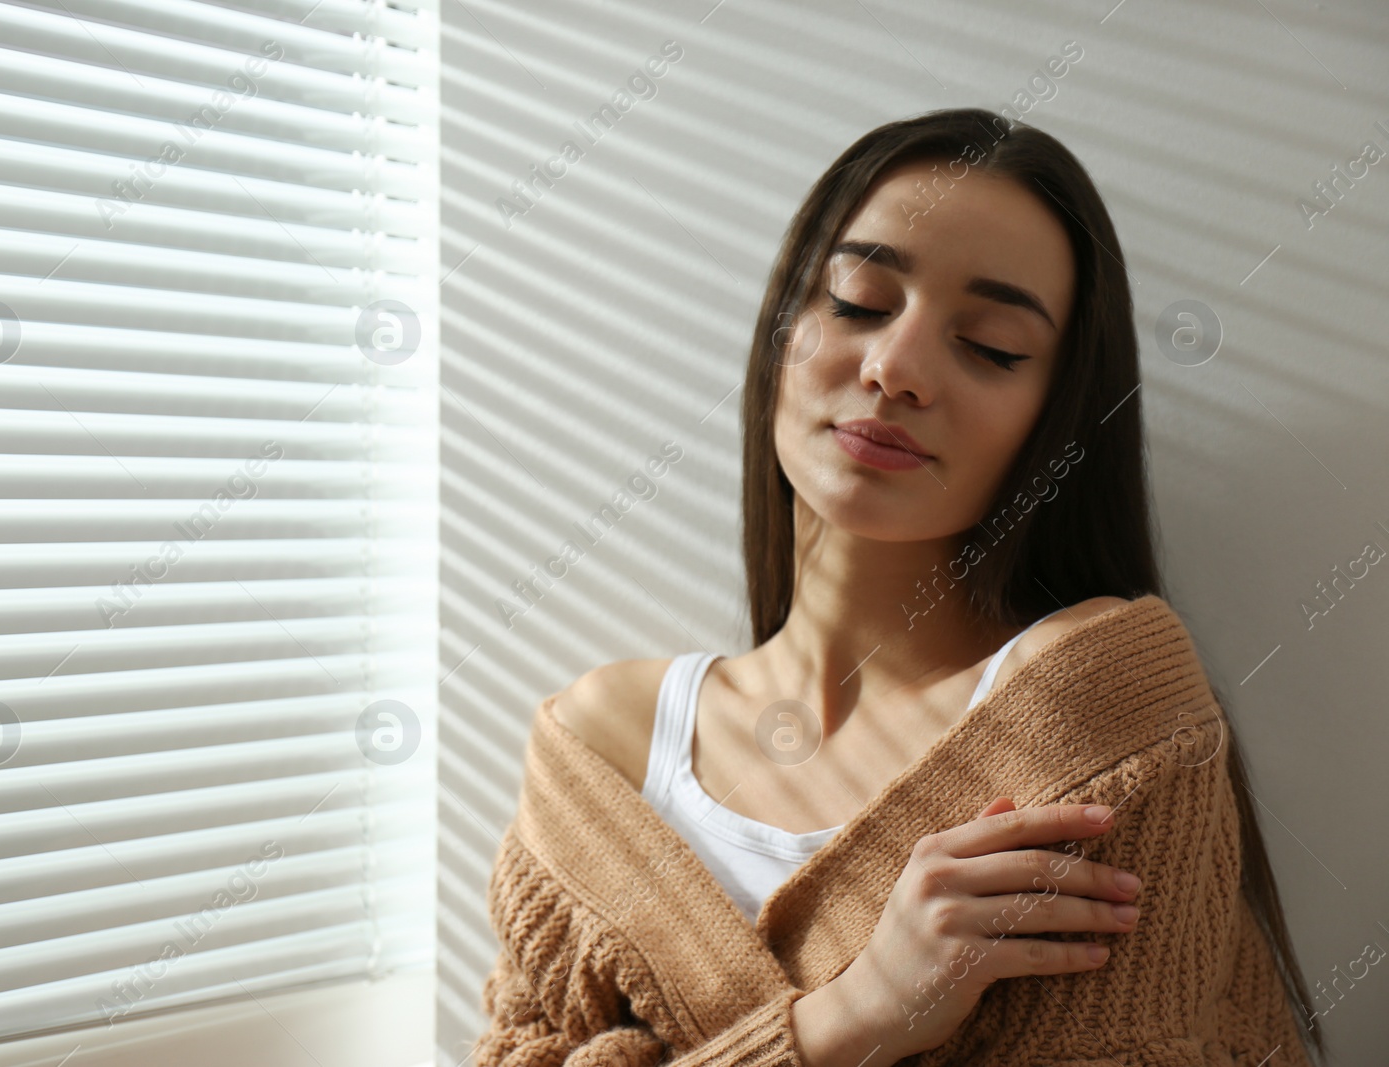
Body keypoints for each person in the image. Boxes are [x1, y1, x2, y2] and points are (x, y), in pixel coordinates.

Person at [473, 107, 1323, 1067]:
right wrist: (854, 1018)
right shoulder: (601, 748)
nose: (896, 368)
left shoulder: (1098, 722)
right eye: (859, 300)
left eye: (994, 345)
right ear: (782, 328)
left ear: (1057, 419)